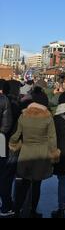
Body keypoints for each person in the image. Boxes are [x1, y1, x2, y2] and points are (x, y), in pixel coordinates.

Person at [9, 89, 60, 218]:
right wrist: (54, 153)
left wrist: (13, 144)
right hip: (41, 154)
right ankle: (33, 211)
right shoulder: (48, 117)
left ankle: (17, 209)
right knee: (37, 184)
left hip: (26, 152)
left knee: (24, 184)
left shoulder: (24, 115)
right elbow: (52, 138)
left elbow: (16, 135)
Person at [0, 79, 13, 217]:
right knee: (3, 174)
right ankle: (5, 206)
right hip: (1, 140)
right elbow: (6, 125)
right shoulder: (4, 100)